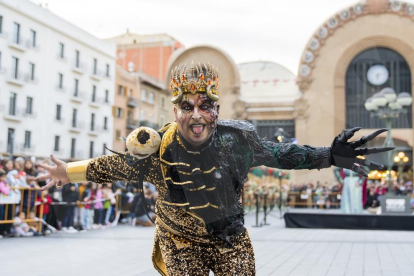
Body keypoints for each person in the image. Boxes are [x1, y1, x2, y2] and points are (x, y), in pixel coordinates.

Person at [37, 63, 392, 275]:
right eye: (186, 106)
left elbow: (281, 154)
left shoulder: (238, 140)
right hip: (179, 240)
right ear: (175, 111)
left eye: (205, 106)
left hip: (230, 238)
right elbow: (113, 166)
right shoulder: (156, 147)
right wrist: (65, 172)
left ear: (217, 109)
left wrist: (328, 155)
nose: (196, 115)